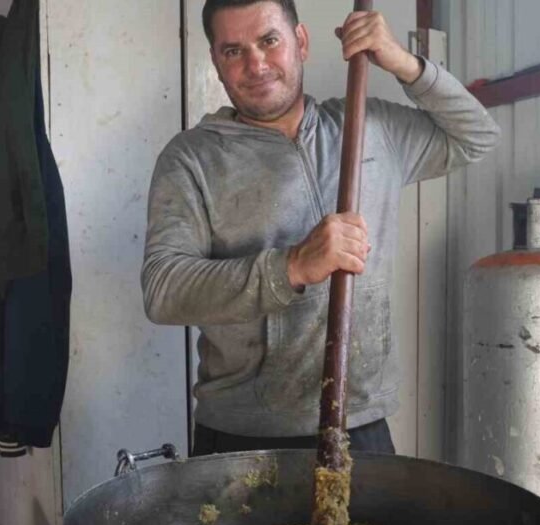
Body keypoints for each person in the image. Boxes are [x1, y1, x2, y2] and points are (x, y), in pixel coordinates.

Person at [142, 0, 499, 456]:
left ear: (301, 42)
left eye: (269, 41)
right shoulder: (191, 159)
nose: (256, 64)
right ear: (215, 62)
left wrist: (403, 62)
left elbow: (477, 135)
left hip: (361, 423)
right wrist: (290, 267)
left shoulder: (370, 127)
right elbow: (163, 289)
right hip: (242, 436)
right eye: (233, 51)